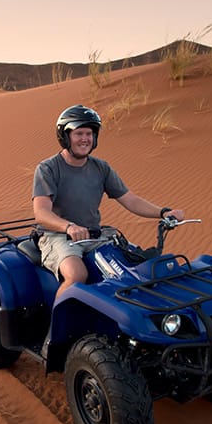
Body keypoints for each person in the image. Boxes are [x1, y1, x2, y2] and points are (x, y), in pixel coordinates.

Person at [32, 104, 185, 298]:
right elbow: (42, 213)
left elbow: (130, 200)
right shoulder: (48, 168)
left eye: (89, 133)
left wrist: (163, 212)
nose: (85, 139)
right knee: (77, 275)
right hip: (58, 237)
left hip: (94, 235)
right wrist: (69, 227)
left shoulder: (101, 168)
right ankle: (57, 326)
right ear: (65, 136)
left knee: (137, 265)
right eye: (79, 133)